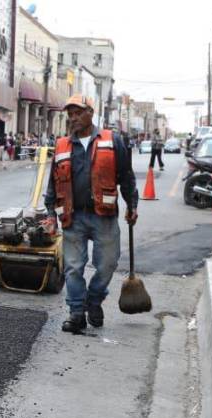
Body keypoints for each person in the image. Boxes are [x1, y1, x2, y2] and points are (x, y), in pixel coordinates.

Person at [45, 95, 138, 335]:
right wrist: (50, 214)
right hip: (73, 217)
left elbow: (126, 177)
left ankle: (94, 300)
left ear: (90, 113)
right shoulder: (62, 145)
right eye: (70, 114)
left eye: (78, 113)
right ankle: (77, 313)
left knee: (107, 264)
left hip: (103, 216)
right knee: (73, 267)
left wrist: (132, 204)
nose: (73, 118)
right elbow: (53, 183)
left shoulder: (112, 140)